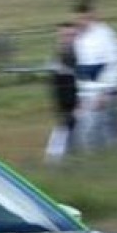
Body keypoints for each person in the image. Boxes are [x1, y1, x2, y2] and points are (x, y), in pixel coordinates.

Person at [73, 0, 117, 149]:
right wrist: (80, 96)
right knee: (86, 132)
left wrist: (106, 91)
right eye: (79, 18)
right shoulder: (80, 39)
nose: (82, 21)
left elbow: (114, 63)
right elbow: (81, 68)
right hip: (87, 92)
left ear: (92, 15)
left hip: (105, 91)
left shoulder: (105, 34)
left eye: (85, 17)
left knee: (106, 131)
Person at [45, 22, 79, 162]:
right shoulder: (57, 58)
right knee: (62, 133)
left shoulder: (80, 56)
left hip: (80, 103)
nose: (67, 39)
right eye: (64, 35)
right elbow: (54, 85)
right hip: (64, 104)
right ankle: (55, 160)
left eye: (71, 35)